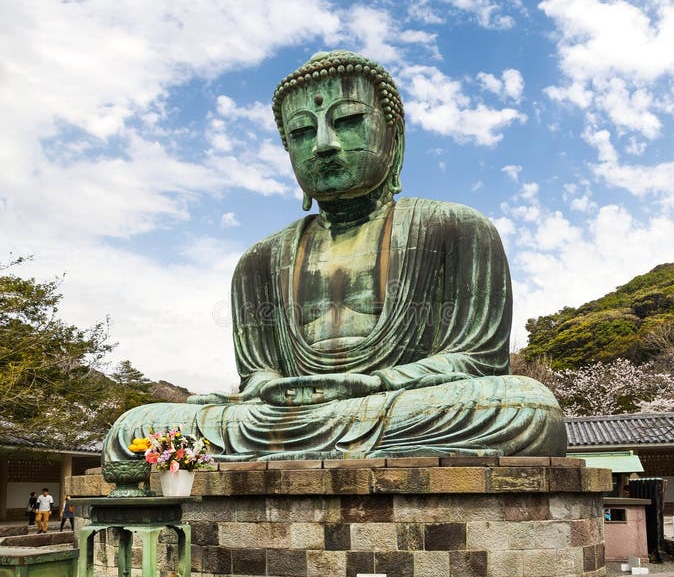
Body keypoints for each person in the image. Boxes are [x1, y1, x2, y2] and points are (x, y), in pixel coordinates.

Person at [103, 50, 566, 462]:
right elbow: (257, 376)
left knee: (524, 408)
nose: (323, 144)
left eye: (346, 121)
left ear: (394, 137)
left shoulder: (457, 228)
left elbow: (477, 362)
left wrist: (375, 384)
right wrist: (270, 389)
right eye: (302, 132)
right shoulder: (260, 260)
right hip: (286, 416)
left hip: (402, 404)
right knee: (136, 428)